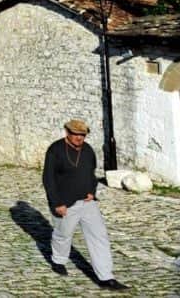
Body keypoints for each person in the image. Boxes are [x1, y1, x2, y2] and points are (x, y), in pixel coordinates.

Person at [42, 119, 129, 291]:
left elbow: (91, 173)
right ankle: (58, 260)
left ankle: (106, 277)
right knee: (63, 234)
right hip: (65, 203)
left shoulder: (88, 150)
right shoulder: (55, 150)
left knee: (99, 236)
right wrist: (57, 203)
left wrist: (92, 190)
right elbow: (48, 179)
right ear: (67, 133)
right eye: (76, 134)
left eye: (82, 135)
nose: (79, 138)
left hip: (88, 202)